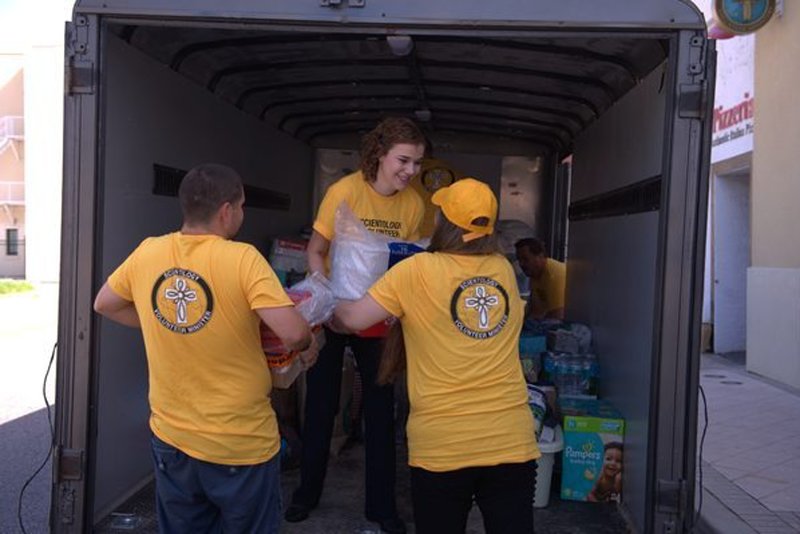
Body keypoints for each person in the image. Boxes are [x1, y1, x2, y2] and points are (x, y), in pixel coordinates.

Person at [93, 163, 314, 533]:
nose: (241, 214)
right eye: (242, 207)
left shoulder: (149, 251)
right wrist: (310, 341)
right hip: (239, 443)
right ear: (227, 211)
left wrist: (164, 320)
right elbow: (292, 334)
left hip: (172, 439)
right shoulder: (242, 258)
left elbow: (104, 303)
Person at [333, 178, 541, 534]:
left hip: (443, 445)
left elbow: (353, 319)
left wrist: (330, 304)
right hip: (510, 439)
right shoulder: (503, 270)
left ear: (444, 221)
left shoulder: (416, 272)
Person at [285, 117, 426, 534]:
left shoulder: (415, 204)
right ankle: (306, 495)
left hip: (381, 321)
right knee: (321, 408)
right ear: (379, 154)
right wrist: (327, 297)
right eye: (403, 160)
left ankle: (381, 509)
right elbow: (316, 251)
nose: (410, 171)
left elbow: (413, 264)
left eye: (417, 163)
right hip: (332, 316)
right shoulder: (344, 192)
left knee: (382, 415)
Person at [514, 237, 566, 320]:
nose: (521, 264)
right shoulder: (534, 274)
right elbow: (536, 311)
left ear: (540, 256)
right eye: (519, 260)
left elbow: (559, 314)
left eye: (525, 259)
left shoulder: (554, 274)